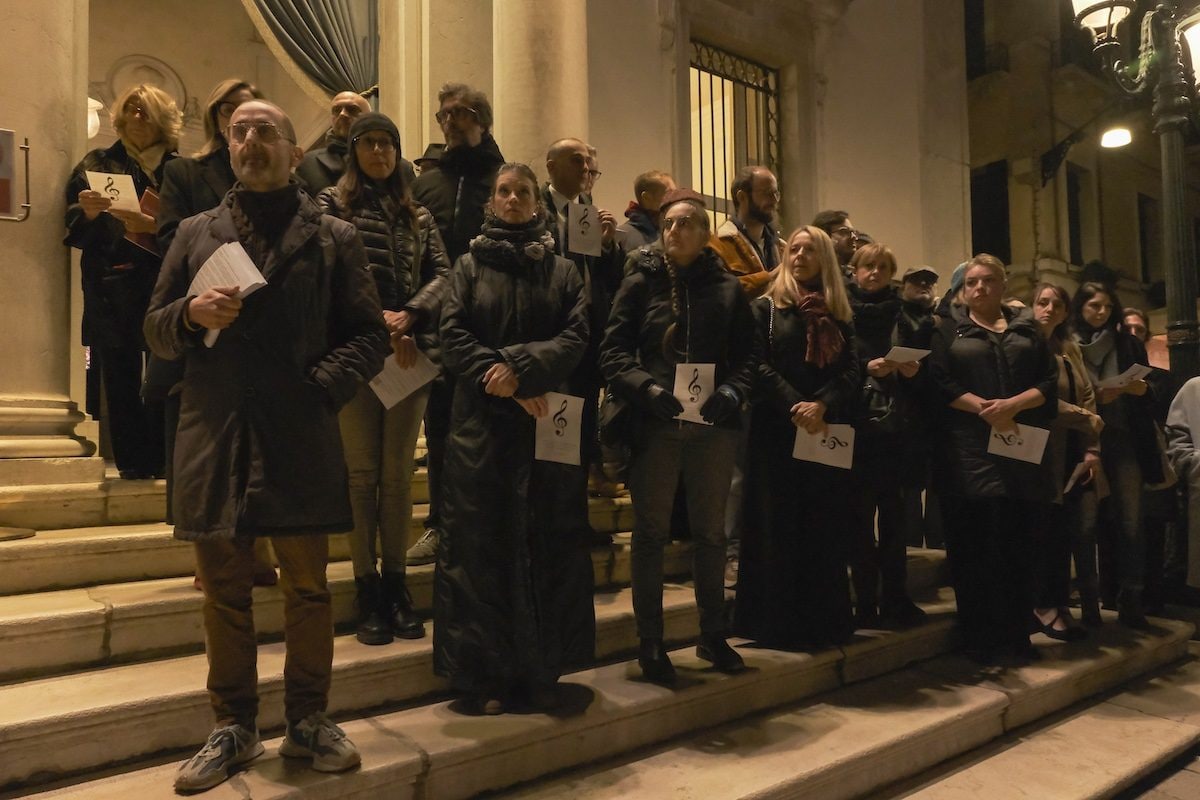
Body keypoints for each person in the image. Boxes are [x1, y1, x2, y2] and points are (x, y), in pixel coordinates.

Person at [145, 100, 388, 792]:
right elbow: (153, 330)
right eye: (238, 133)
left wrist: (320, 389)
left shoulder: (334, 237)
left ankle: (309, 718)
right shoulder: (195, 232)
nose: (250, 142)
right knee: (223, 589)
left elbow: (369, 335)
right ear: (228, 148)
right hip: (214, 431)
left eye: (264, 133)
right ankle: (235, 725)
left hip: (298, 433)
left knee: (308, 588)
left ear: (291, 149)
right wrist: (189, 315)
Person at [434, 162, 595, 714]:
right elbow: (451, 334)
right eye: (502, 191)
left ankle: (541, 669)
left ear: (537, 203)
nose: (512, 199)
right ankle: (482, 676)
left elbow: (576, 335)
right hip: (481, 427)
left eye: (522, 192)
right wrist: (500, 378)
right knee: (482, 547)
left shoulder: (564, 271)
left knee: (547, 542)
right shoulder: (467, 266)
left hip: (546, 420)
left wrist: (521, 371)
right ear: (491, 201)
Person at [601, 189, 755, 684]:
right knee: (649, 536)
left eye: (686, 222)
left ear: (705, 231)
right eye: (668, 224)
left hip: (713, 429)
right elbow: (613, 353)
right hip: (656, 426)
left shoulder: (728, 289)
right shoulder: (640, 281)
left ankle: (713, 635)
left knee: (711, 534)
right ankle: (651, 642)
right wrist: (645, 388)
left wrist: (731, 392)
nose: (675, 231)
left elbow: (750, 360)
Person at [317, 112, 451, 645]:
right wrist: (374, 319)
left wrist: (412, 313)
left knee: (396, 479)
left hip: (406, 354)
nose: (379, 152)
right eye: (369, 143)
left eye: (387, 144)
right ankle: (365, 584)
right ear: (354, 151)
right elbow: (325, 269)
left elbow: (444, 275)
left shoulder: (417, 214)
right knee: (360, 476)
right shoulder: (330, 204)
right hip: (355, 352)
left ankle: (396, 583)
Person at [154, 78, 276, 590]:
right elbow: (169, 236)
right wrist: (200, 296)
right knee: (213, 461)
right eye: (232, 114)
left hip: (262, 330)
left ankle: (258, 552)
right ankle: (217, 558)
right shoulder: (185, 172)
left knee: (263, 455)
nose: (245, 130)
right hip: (207, 316)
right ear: (220, 124)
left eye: (257, 120)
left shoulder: (291, 197)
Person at [733, 225, 859, 650]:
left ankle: (822, 621)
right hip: (775, 433)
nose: (799, 255)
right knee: (776, 526)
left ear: (824, 258)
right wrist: (795, 404)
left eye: (809, 249)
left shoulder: (839, 313)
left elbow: (851, 371)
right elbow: (756, 365)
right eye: (795, 249)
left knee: (823, 527)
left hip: (823, 430)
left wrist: (821, 404)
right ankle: (776, 623)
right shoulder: (766, 309)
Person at [928, 254, 1057, 664]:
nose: (978, 288)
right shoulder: (948, 329)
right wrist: (984, 408)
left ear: (1003, 286)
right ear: (962, 291)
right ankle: (982, 638)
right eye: (971, 283)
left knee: (1023, 540)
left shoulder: (1028, 330)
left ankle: (1018, 635)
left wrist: (1014, 405)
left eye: (987, 281)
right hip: (970, 449)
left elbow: (1050, 381)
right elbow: (938, 381)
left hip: (1021, 447)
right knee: (981, 542)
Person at [407, 83, 505, 568]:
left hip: (495, 327)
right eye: (443, 114)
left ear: (482, 119)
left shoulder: (504, 180)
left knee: (493, 428)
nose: (450, 121)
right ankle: (440, 525)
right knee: (442, 429)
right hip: (439, 327)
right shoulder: (425, 185)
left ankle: (491, 521)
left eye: (461, 113)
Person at [65, 84, 181, 480]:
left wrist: (154, 226)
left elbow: (202, 226)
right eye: (130, 109)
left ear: (163, 119)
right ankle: (133, 462)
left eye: (146, 111)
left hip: (170, 286)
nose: (136, 117)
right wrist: (91, 216)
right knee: (120, 375)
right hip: (114, 287)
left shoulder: (181, 169)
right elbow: (71, 227)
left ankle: (168, 459)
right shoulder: (98, 164)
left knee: (170, 371)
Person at [1070, 282, 1163, 627]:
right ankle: (1090, 600)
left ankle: (1132, 598)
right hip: (1084, 442)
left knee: (1130, 522)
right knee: (1085, 524)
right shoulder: (1070, 345)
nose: (1101, 312)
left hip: (1125, 441)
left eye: (1107, 307)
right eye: (1094, 305)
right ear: (1080, 307)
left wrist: (1140, 389)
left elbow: (1151, 391)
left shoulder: (1128, 343)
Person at [845, 243, 926, 628]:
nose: (874, 273)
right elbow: (836, 364)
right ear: (855, 270)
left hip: (895, 432)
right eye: (868, 266)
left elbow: (925, 365)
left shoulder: (905, 315)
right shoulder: (842, 312)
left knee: (894, 520)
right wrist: (866, 368)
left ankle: (895, 598)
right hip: (857, 428)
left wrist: (911, 373)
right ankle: (864, 601)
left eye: (882, 267)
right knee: (858, 520)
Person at [542, 137, 626, 508]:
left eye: (589, 164)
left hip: (588, 332)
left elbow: (601, 275)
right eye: (577, 161)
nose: (586, 170)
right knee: (555, 428)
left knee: (585, 418)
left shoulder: (587, 210)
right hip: (552, 332)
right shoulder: (538, 208)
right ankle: (552, 517)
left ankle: (575, 514)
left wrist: (607, 245)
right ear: (551, 166)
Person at [1030, 283, 1105, 635]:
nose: (1048, 309)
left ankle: (1058, 602)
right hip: (1037, 451)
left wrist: (1092, 449)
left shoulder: (1069, 347)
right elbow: (1039, 402)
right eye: (1041, 303)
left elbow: (1088, 394)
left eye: (1056, 305)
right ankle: (1041, 604)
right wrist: (1085, 417)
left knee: (1063, 531)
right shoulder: (1027, 346)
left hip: (1071, 453)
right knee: (1040, 529)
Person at [896, 266, 942, 549]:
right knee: (909, 488)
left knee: (937, 484)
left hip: (935, 411)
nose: (924, 285)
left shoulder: (942, 318)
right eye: (917, 280)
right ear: (904, 285)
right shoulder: (897, 315)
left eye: (929, 281)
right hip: (906, 411)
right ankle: (912, 549)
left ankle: (938, 548)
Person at [297, 91, 415, 195]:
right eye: (337, 110)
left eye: (352, 110)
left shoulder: (401, 167)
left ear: (369, 116)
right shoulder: (309, 164)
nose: (342, 114)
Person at [708, 166, 784, 299]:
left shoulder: (782, 246)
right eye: (766, 193)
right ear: (742, 197)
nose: (774, 201)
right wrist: (770, 277)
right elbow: (719, 292)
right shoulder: (717, 246)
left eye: (776, 193)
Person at [617, 170, 676, 251]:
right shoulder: (622, 237)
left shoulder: (673, 232)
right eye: (669, 193)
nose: (675, 198)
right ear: (646, 198)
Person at [811, 209, 859, 275]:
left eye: (853, 232)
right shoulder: (812, 276)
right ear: (824, 236)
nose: (853, 237)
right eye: (844, 232)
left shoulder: (852, 278)